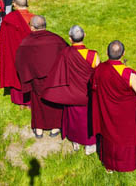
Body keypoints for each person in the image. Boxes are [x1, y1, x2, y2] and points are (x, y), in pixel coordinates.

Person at [42, 25, 99, 155]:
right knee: (88, 118)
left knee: (74, 118)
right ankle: (90, 144)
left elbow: (59, 73)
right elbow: (98, 76)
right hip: (87, 95)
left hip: (71, 94)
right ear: (84, 35)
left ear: (70, 38)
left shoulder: (65, 53)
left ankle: (75, 141)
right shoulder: (93, 55)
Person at [92, 40, 136, 173]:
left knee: (109, 136)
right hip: (125, 116)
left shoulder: (100, 69)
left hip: (107, 111)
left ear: (107, 53)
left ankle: (109, 166)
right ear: (123, 54)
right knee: (125, 138)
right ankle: (126, 165)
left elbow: (93, 86)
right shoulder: (128, 74)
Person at [15, 15, 67, 138]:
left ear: (32, 28)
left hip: (36, 79)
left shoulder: (26, 42)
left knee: (38, 103)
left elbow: (20, 61)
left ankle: (39, 129)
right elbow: (67, 55)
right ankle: (55, 127)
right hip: (55, 79)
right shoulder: (57, 40)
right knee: (55, 102)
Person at [0, 0, 33, 106]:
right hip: (29, 56)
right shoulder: (34, 19)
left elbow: (4, 40)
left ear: (14, 4)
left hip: (14, 53)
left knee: (15, 70)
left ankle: (18, 99)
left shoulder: (9, 19)